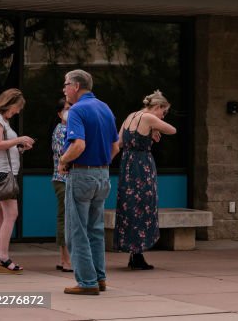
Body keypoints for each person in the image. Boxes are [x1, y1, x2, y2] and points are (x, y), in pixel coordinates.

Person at [57, 69, 120, 295]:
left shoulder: (77, 110)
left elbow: (78, 145)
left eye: (65, 84)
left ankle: (86, 282)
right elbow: (115, 146)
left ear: (75, 86)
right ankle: (99, 277)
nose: (64, 89)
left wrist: (63, 161)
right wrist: (100, 165)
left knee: (77, 230)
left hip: (81, 174)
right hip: (103, 175)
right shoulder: (104, 108)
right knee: (95, 229)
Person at [114, 91, 177, 270]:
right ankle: (138, 253)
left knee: (130, 207)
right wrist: (157, 127)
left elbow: (118, 142)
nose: (163, 116)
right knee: (143, 206)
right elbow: (173, 130)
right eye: (163, 112)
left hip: (127, 165)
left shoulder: (130, 116)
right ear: (157, 107)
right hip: (142, 166)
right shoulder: (149, 117)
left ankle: (134, 253)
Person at [0, 88, 33, 274]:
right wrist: (19, 139)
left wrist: (20, 147)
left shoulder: (1, 120)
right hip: (2, 172)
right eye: (18, 107)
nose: (18, 111)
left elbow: (4, 147)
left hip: (4, 171)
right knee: (11, 214)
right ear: (11, 103)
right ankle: (4, 256)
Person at [51, 97, 73, 272]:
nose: (70, 111)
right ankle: (66, 260)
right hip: (62, 180)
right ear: (60, 114)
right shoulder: (62, 130)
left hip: (68, 179)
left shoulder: (72, 128)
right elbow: (64, 154)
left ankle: (64, 259)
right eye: (66, 109)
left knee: (68, 219)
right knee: (65, 219)